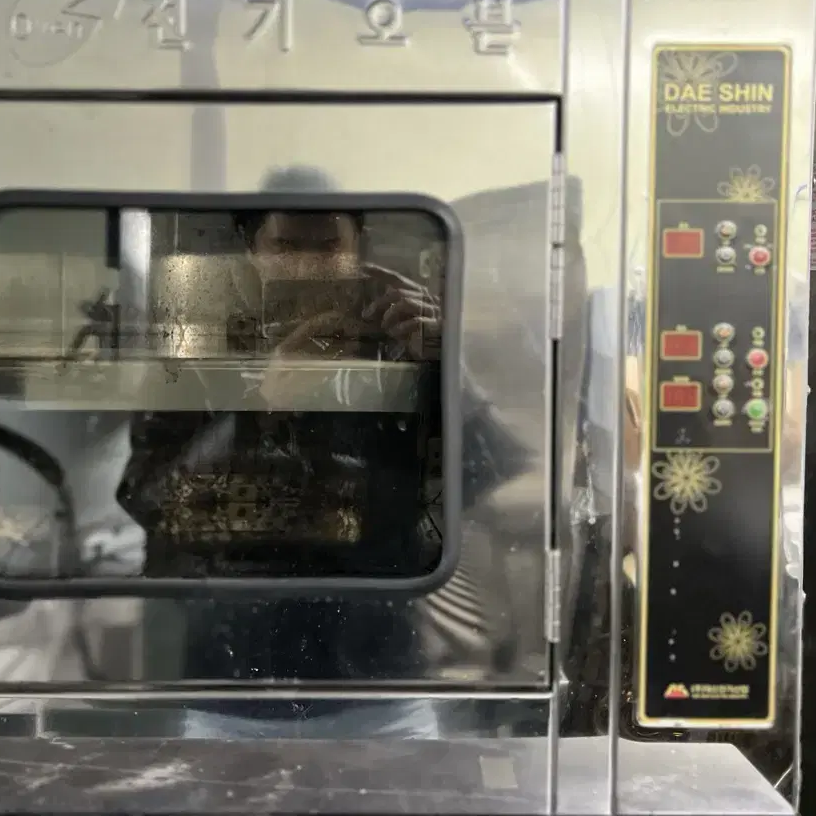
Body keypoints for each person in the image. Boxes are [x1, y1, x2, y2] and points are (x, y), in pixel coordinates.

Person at [117, 166, 534, 740]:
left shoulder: (399, 337)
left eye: (328, 247)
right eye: (287, 247)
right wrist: (262, 406)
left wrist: (443, 367)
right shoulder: (193, 354)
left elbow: (486, 483)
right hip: (230, 683)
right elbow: (153, 501)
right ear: (253, 252)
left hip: (380, 676)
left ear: (357, 251)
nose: (309, 267)